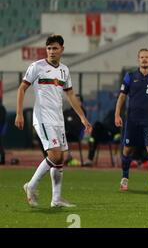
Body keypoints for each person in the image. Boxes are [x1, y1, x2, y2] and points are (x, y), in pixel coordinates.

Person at [15, 35, 92, 208]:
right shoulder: (37, 67)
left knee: (60, 159)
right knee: (54, 155)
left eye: (55, 48)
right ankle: (31, 185)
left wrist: (82, 117)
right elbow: (22, 88)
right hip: (42, 117)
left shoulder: (64, 70)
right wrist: (19, 113)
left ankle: (56, 200)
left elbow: (70, 95)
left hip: (58, 119)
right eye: (48, 48)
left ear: (62, 49)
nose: (51, 51)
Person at [115, 48, 148, 192]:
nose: (144, 59)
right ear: (138, 59)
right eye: (142, 57)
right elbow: (122, 96)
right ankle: (124, 178)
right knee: (127, 149)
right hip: (132, 119)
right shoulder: (130, 76)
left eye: (147, 57)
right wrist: (117, 114)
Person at [63, 94, 86, 165]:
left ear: (81, 102)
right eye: (74, 100)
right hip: (65, 133)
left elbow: (78, 124)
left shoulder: (82, 112)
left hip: (76, 134)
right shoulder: (66, 112)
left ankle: (64, 158)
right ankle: (53, 158)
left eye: (78, 100)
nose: (76, 102)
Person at [0, 100, 6, 165]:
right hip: (2, 127)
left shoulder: (1, 107)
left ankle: (2, 159)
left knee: (0, 145)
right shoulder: (3, 107)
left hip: (1, 126)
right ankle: (2, 159)